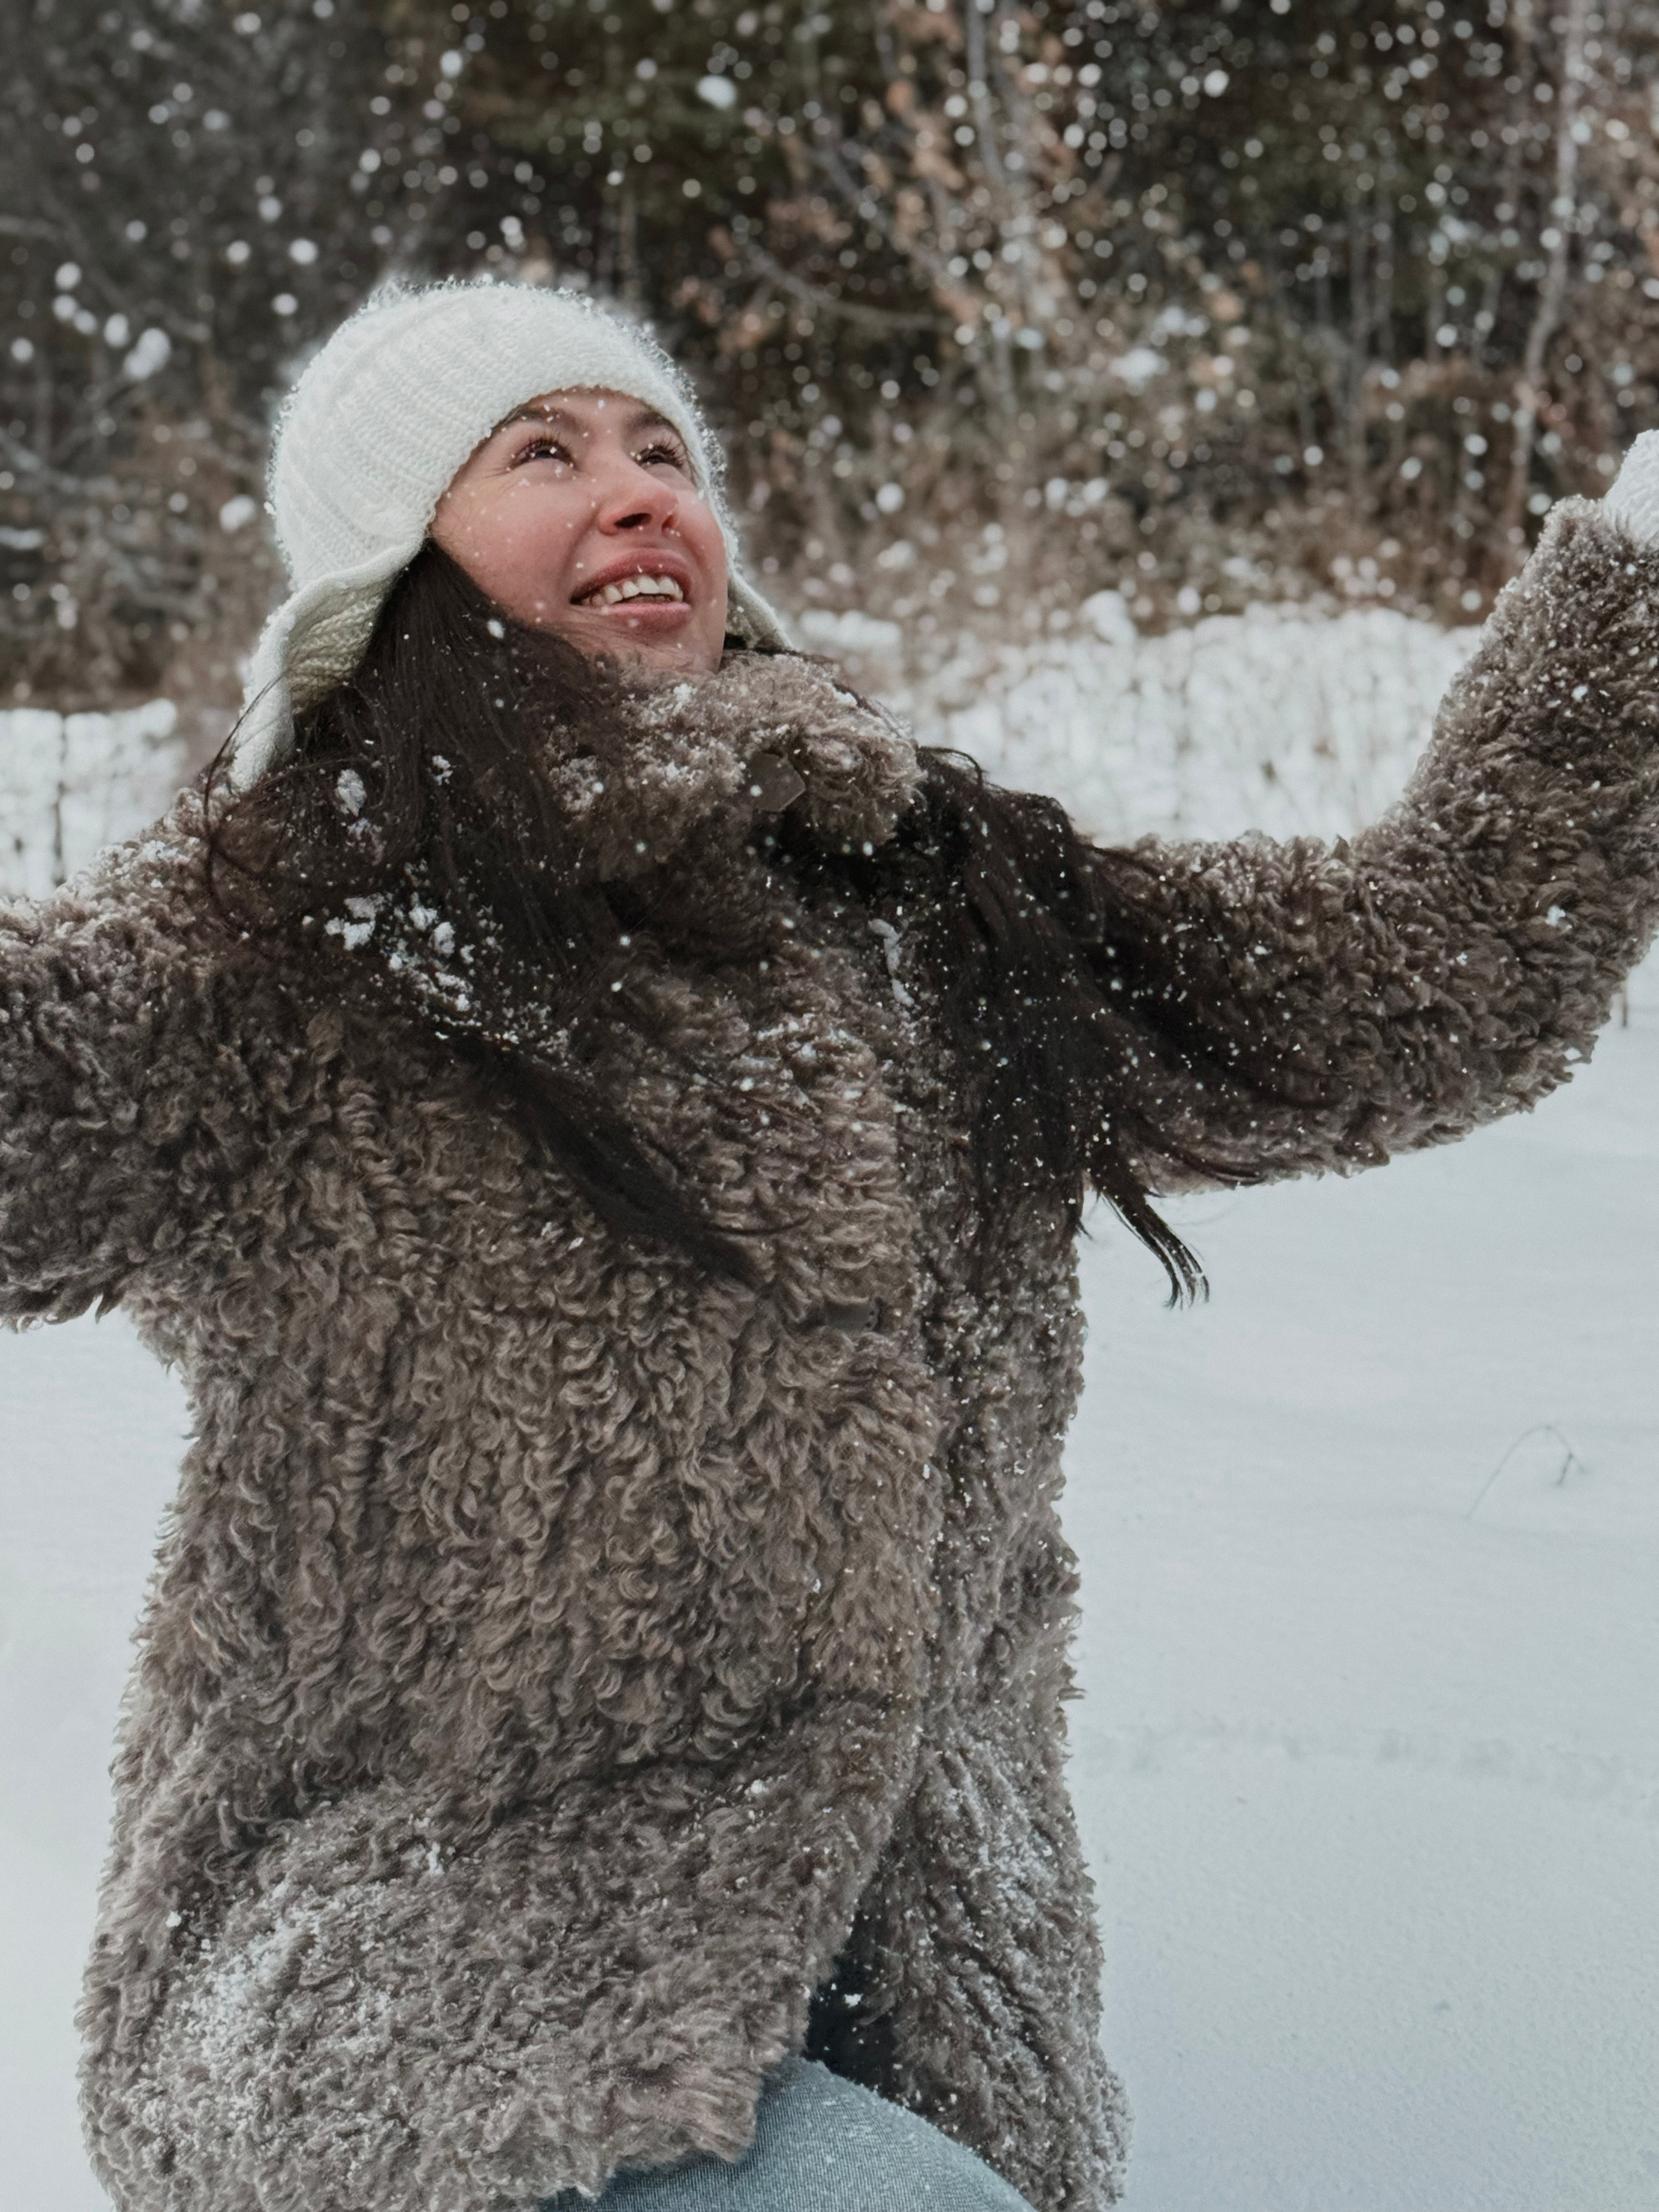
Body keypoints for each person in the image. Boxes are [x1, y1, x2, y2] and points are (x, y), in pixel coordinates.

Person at [6, 278, 1656, 2212]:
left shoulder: (934, 912)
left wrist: (1635, 588)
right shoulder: (284, 947)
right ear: (393, 568)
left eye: (663, 453)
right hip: (437, 1994)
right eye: (543, 453)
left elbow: (1429, 971)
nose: (637, 495)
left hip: (928, 1998)